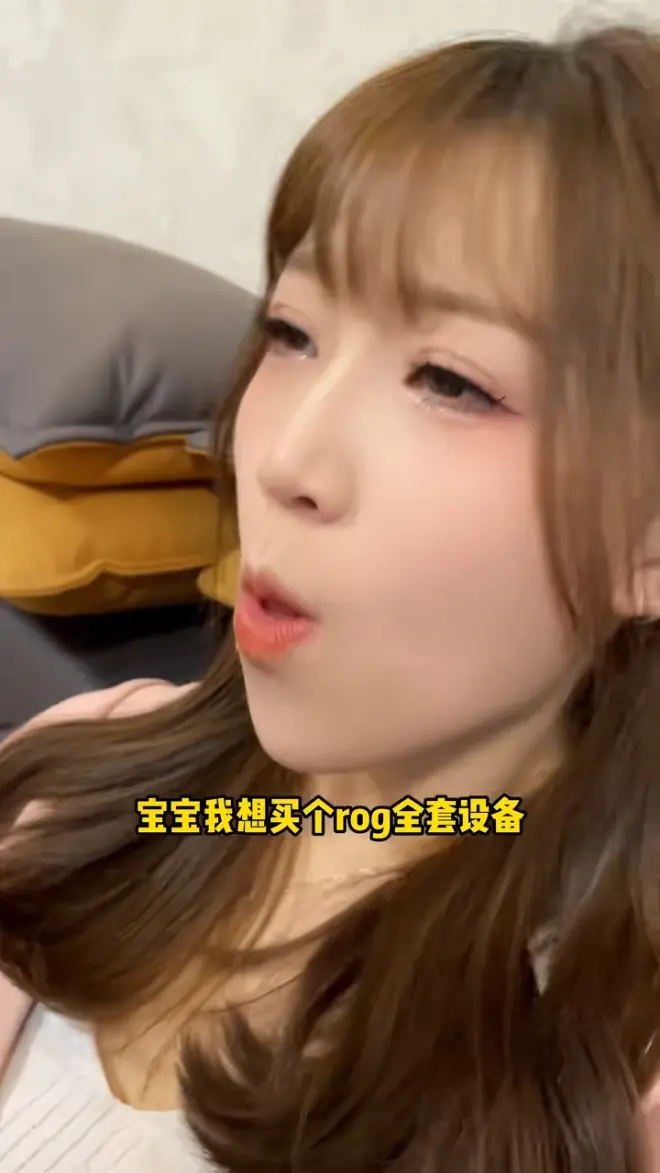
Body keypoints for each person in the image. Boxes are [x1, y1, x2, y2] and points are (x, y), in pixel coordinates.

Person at [2, 17, 660, 1173]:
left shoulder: (610, 1070)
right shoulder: (80, 782)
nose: (287, 458)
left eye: (450, 381)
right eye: (292, 333)